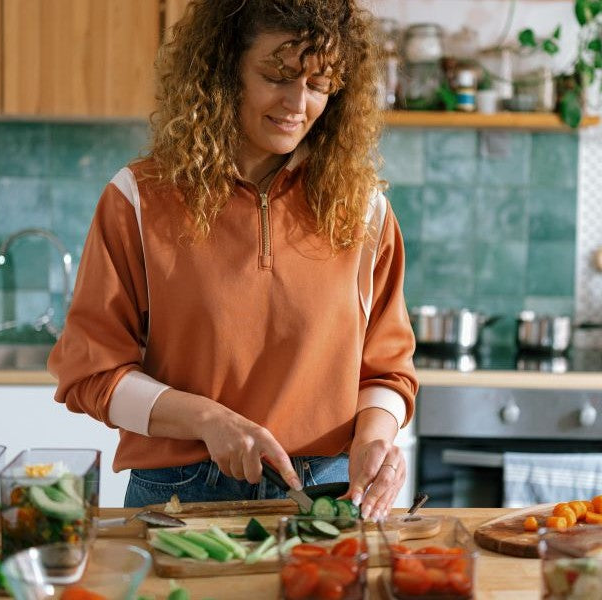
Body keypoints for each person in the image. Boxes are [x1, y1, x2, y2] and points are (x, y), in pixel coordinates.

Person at [47, 0, 417, 521]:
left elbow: (388, 371)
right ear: (224, 70)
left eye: (318, 85)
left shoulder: (364, 211)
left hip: (329, 495)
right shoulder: (137, 198)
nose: (297, 104)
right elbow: (91, 373)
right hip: (180, 494)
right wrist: (206, 420)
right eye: (277, 76)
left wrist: (375, 437)